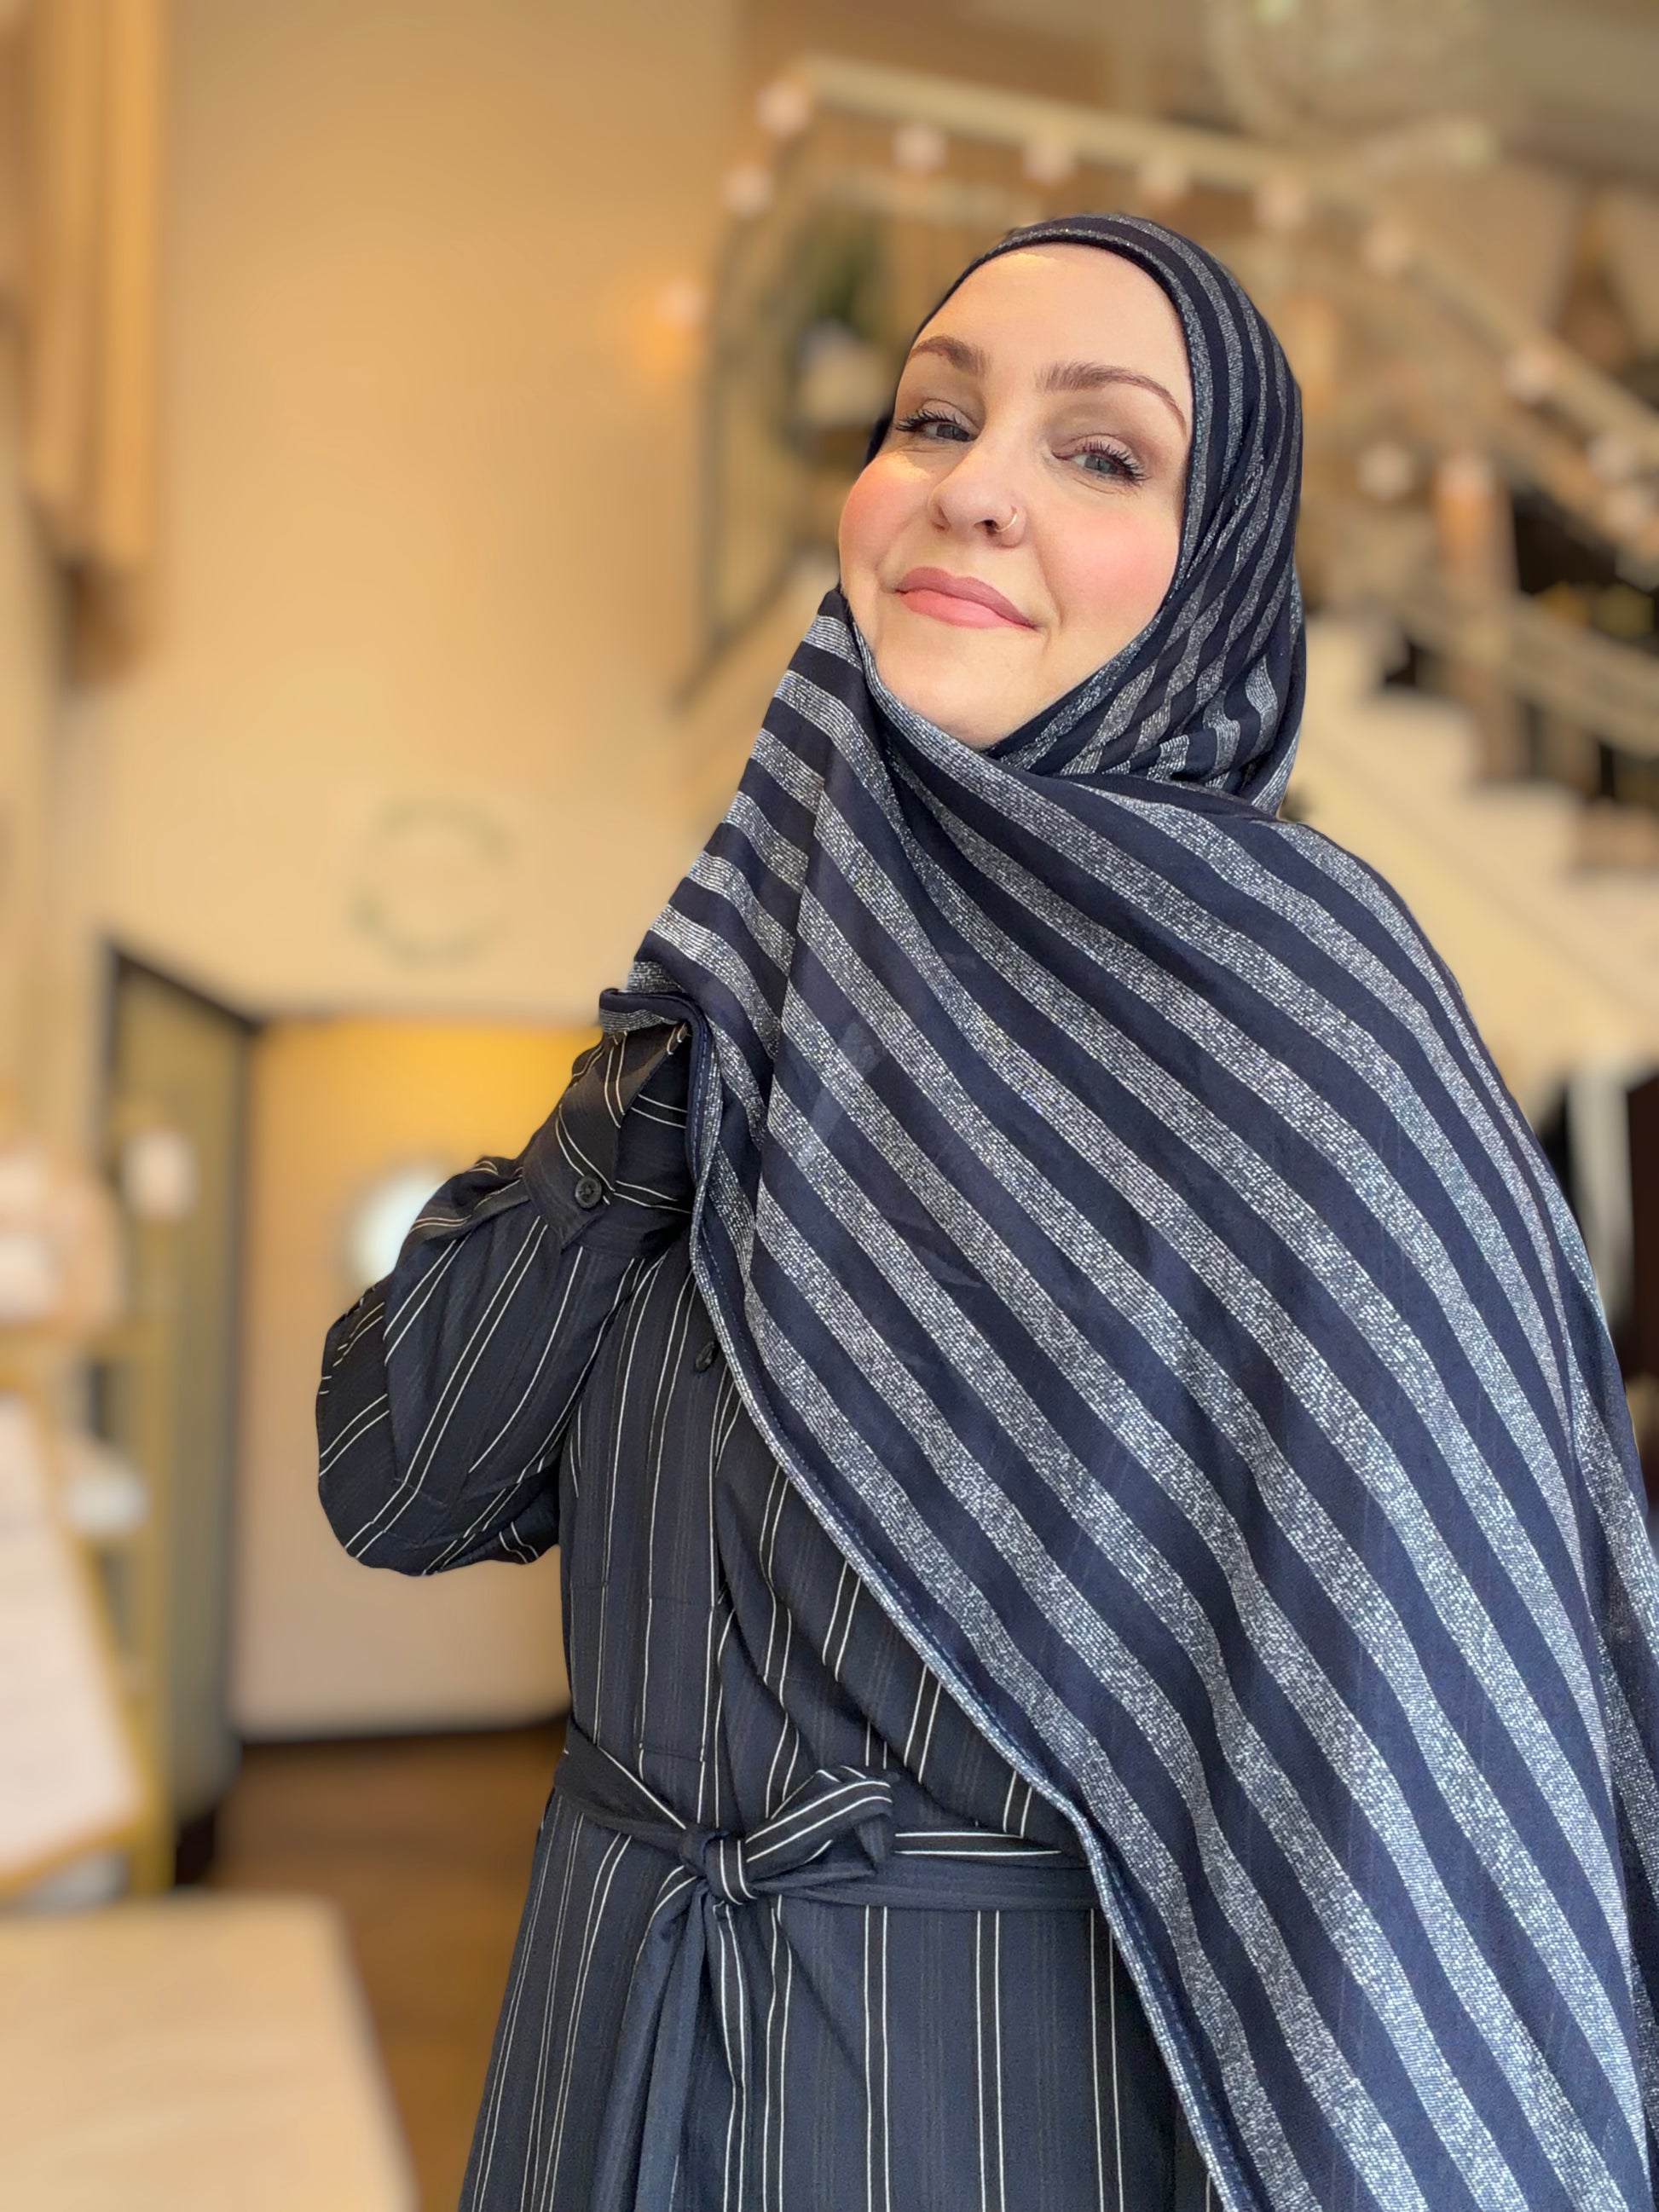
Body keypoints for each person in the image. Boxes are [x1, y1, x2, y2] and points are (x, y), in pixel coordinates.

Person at [318, 216, 1659, 2212]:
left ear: (1211, 572)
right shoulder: (740, 998)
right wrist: (667, 1058)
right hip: (602, 2044)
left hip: (989, 2101)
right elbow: (401, 1481)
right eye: (933, 415)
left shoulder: (1304, 1023)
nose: (975, 484)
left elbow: (1401, 1755)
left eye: (1100, 452)